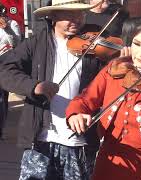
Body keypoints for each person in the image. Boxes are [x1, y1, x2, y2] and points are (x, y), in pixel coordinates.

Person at [65, 15, 141, 180]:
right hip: (110, 160)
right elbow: (85, 99)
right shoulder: (115, 68)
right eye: (136, 44)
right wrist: (76, 113)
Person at [0, 0, 103, 179]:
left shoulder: (96, 44)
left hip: (79, 140)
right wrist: (34, 86)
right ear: (53, 16)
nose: (76, 20)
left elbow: (107, 83)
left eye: (80, 14)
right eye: (69, 15)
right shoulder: (36, 43)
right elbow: (5, 71)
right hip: (41, 139)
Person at [0, 3, 21, 139]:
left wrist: (7, 29)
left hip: (4, 64)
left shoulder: (12, 24)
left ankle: (0, 129)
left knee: (1, 98)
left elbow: (17, 43)